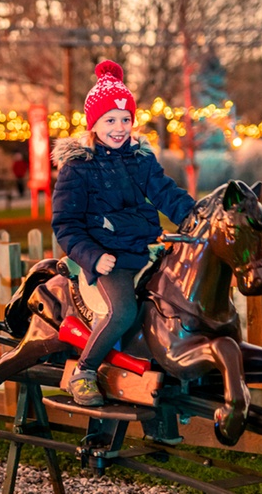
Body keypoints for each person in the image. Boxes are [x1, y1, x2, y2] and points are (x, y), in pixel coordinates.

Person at [50, 60, 196, 407]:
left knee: (181, 296)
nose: (120, 128)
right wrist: (93, 256)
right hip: (108, 256)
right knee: (123, 312)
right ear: (94, 124)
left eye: (126, 119)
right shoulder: (78, 168)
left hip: (144, 246)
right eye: (110, 120)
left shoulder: (140, 158)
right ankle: (84, 371)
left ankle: (168, 368)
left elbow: (165, 193)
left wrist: (195, 216)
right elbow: (66, 225)